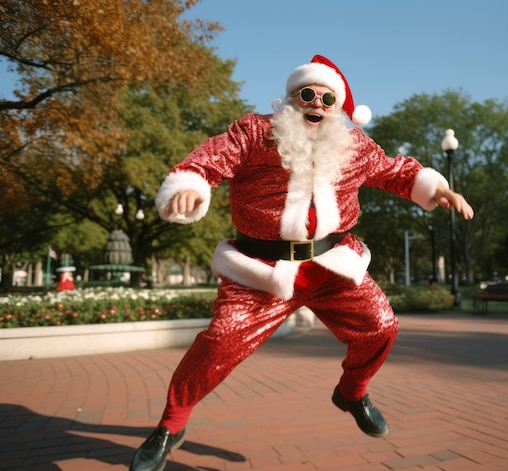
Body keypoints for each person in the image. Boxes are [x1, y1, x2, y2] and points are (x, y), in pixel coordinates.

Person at [129, 54, 474, 471]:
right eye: (307, 95)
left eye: (328, 99)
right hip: (260, 271)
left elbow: (395, 171)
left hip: (332, 266)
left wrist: (436, 188)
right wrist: (192, 186)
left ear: (338, 109)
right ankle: (171, 424)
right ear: (290, 99)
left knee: (382, 326)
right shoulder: (255, 133)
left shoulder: (354, 146)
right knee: (220, 342)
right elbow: (209, 160)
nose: (317, 104)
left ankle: (352, 391)